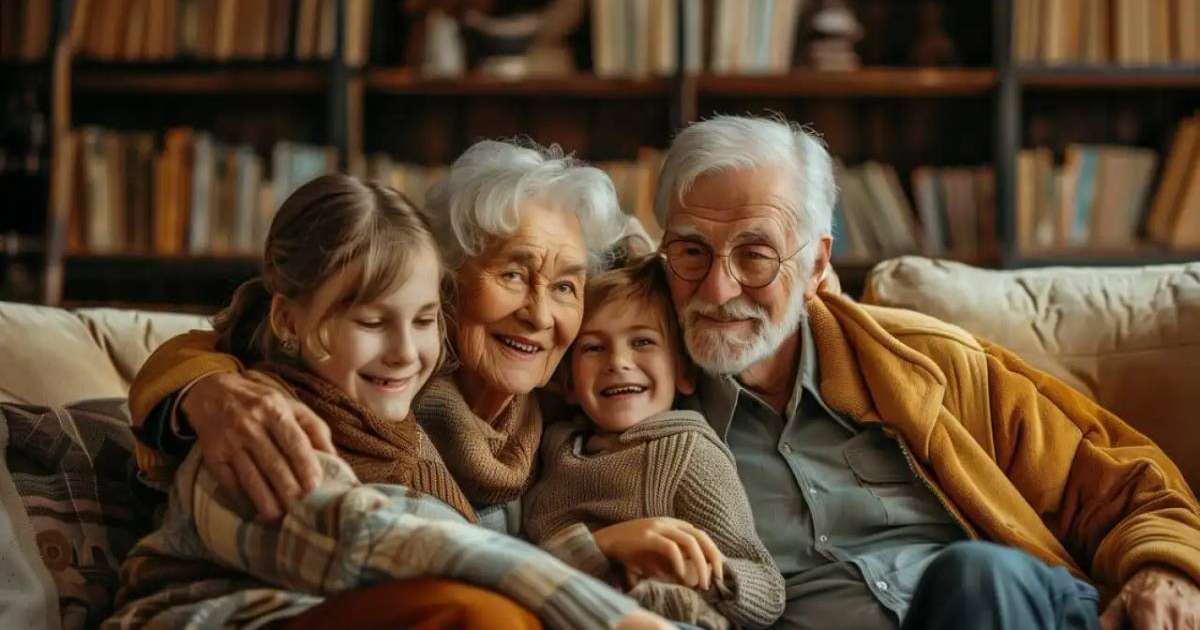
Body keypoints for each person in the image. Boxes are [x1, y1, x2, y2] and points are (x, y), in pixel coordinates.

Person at [651, 115, 1200, 629]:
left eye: (755, 255)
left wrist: (1166, 569)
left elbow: (1127, 485)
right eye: (692, 252)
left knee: (977, 576)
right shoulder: (640, 416)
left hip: (1006, 609)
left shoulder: (928, 364)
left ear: (816, 264)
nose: (718, 291)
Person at [126, 140, 719, 599]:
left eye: (565, 286)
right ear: (445, 281)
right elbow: (231, 331)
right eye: (512, 274)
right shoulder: (382, 378)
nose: (539, 314)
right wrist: (206, 390)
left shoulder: (564, 401)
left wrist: (807, 285)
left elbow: (662, 287)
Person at [523, 256, 786, 630]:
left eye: (643, 341)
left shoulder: (688, 453)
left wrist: (701, 573)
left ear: (683, 373)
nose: (618, 362)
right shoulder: (554, 445)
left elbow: (768, 589)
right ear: (567, 383)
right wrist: (599, 545)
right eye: (593, 348)